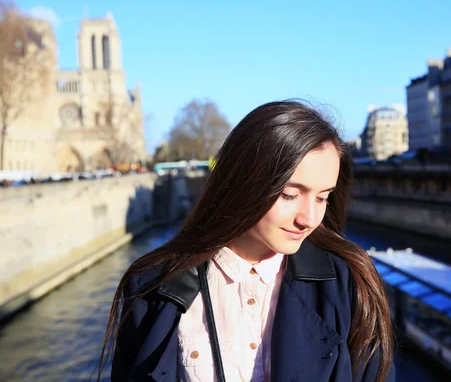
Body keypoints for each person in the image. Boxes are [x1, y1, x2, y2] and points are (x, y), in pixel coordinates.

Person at [98, 100, 395, 381]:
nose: (308, 218)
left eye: (323, 198)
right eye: (289, 195)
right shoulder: (150, 287)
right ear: (243, 183)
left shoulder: (350, 284)